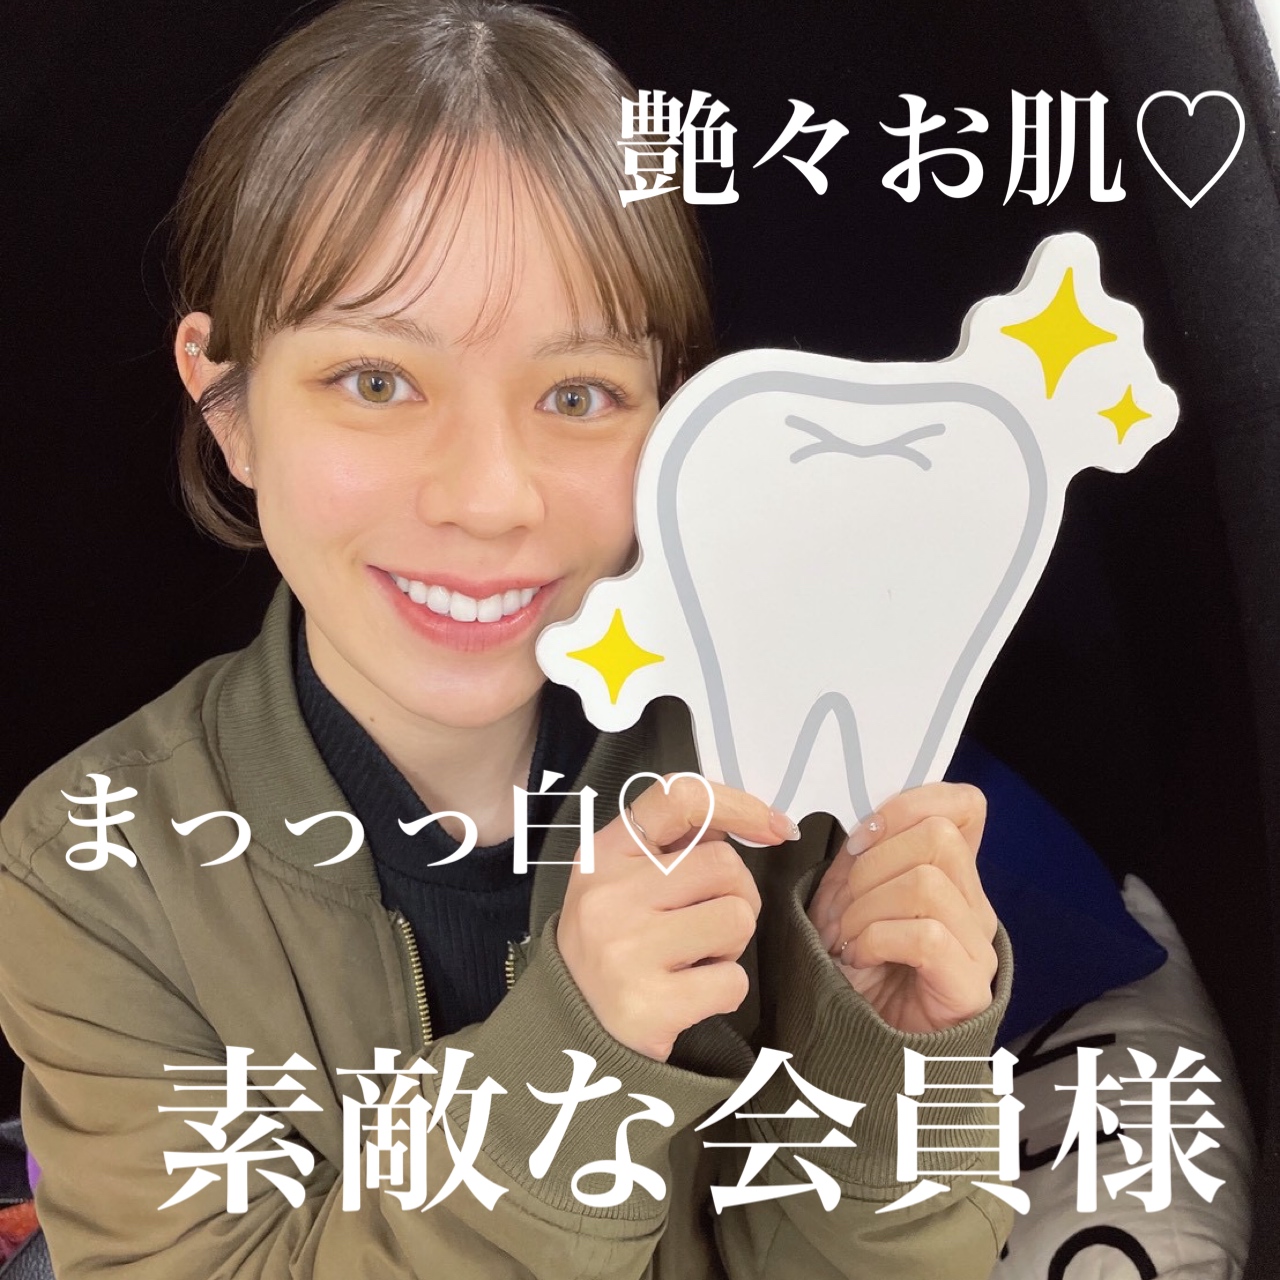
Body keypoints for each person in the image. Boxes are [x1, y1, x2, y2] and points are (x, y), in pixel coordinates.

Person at [0, 1, 1011, 1275]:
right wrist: (571, 1062)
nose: (489, 497)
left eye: (577, 394)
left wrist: (894, 1070)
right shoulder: (94, 866)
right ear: (228, 401)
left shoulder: (783, 776)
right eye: (376, 380)